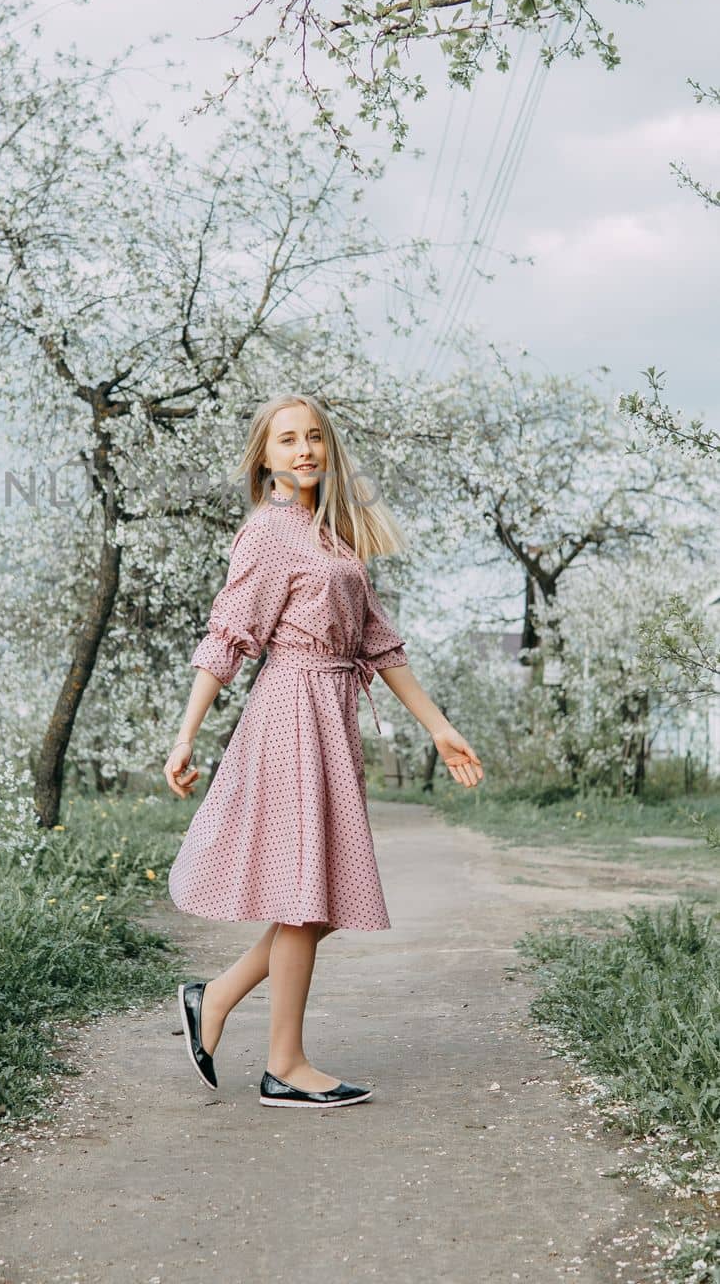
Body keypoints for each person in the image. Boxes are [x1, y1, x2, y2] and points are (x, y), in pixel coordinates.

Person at [164, 393, 484, 1110]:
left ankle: (213, 999)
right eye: (286, 440)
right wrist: (185, 733)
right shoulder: (268, 534)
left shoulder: (333, 535)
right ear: (264, 457)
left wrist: (437, 725)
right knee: (310, 893)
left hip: (331, 713)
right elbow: (229, 637)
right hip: (291, 711)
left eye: (313, 438)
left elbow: (379, 642)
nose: (303, 449)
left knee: (324, 892)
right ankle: (284, 1063)